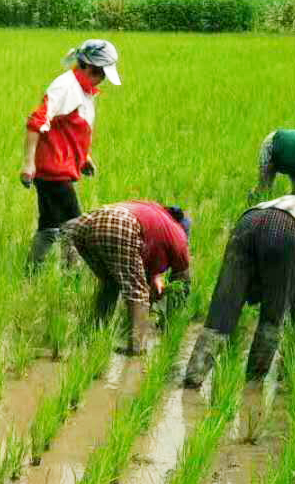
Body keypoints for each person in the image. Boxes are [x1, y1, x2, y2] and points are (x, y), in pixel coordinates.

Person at [184, 193, 295, 387]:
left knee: (223, 307)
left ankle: (193, 378)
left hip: (249, 220)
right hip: (287, 230)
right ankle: (252, 386)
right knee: (273, 316)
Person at [21, 39, 121, 267]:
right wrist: (28, 164)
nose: (102, 79)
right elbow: (36, 122)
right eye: (100, 73)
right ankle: (72, 273)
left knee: (49, 225)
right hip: (53, 170)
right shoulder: (66, 86)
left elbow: (70, 129)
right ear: (88, 67)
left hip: (60, 167)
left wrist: (84, 158)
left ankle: (32, 271)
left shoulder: (83, 90)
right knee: (76, 226)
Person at [62, 202, 192, 354]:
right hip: (121, 225)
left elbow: (138, 257)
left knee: (111, 283)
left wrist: (153, 278)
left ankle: (94, 333)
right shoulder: (179, 236)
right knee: (138, 291)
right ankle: (137, 347)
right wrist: (170, 320)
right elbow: (182, 284)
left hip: (86, 223)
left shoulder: (156, 214)